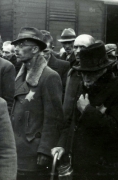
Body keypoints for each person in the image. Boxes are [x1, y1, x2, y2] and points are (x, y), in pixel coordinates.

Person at [52, 43, 118, 180]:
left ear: (103, 70)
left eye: (91, 73)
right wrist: (62, 145)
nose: (86, 77)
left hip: (105, 169)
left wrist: (87, 110)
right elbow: (71, 120)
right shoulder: (85, 86)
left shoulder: (115, 89)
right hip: (82, 166)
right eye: (83, 73)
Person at [11, 27, 64, 180]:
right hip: (18, 149)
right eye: (16, 45)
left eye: (22, 45)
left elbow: (54, 117)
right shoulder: (20, 75)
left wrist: (45, 149)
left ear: (35, 49)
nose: (16, 49)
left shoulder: (49, 77)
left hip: (34, 151)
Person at [50, 34, 95, 179]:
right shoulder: (73, 73)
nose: (77, 50)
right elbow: (67, 113)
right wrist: (62, 143)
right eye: (75, 46)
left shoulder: (103, 75)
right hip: (72, 142)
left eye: (82, 47)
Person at [40, 30, 70, 101]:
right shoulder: (27, 65)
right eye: (39, 50)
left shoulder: (64, 66)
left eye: (45, 51)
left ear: (52, 49)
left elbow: (64, 93)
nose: (41, 54)